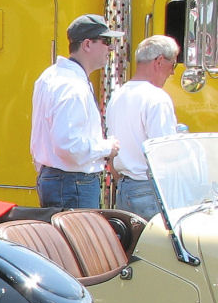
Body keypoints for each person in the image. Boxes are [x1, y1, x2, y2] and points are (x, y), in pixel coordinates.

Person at [29, 13, 122, 209]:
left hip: (57, 178)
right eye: (106, 41)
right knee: (78, 240)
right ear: (87, 44)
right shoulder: (73, 86)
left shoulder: (50, 76)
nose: (111, 48)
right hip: (74, 183)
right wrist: (107, 147)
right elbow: (68, 146)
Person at [105, 35, 180, 220]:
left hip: (124, 188)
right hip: (149, 189)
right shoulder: (157, 98)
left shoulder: (117, 97)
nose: (172, 73)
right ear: (159, 61)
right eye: (173, 65)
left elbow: (111, 150)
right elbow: (164, 154)